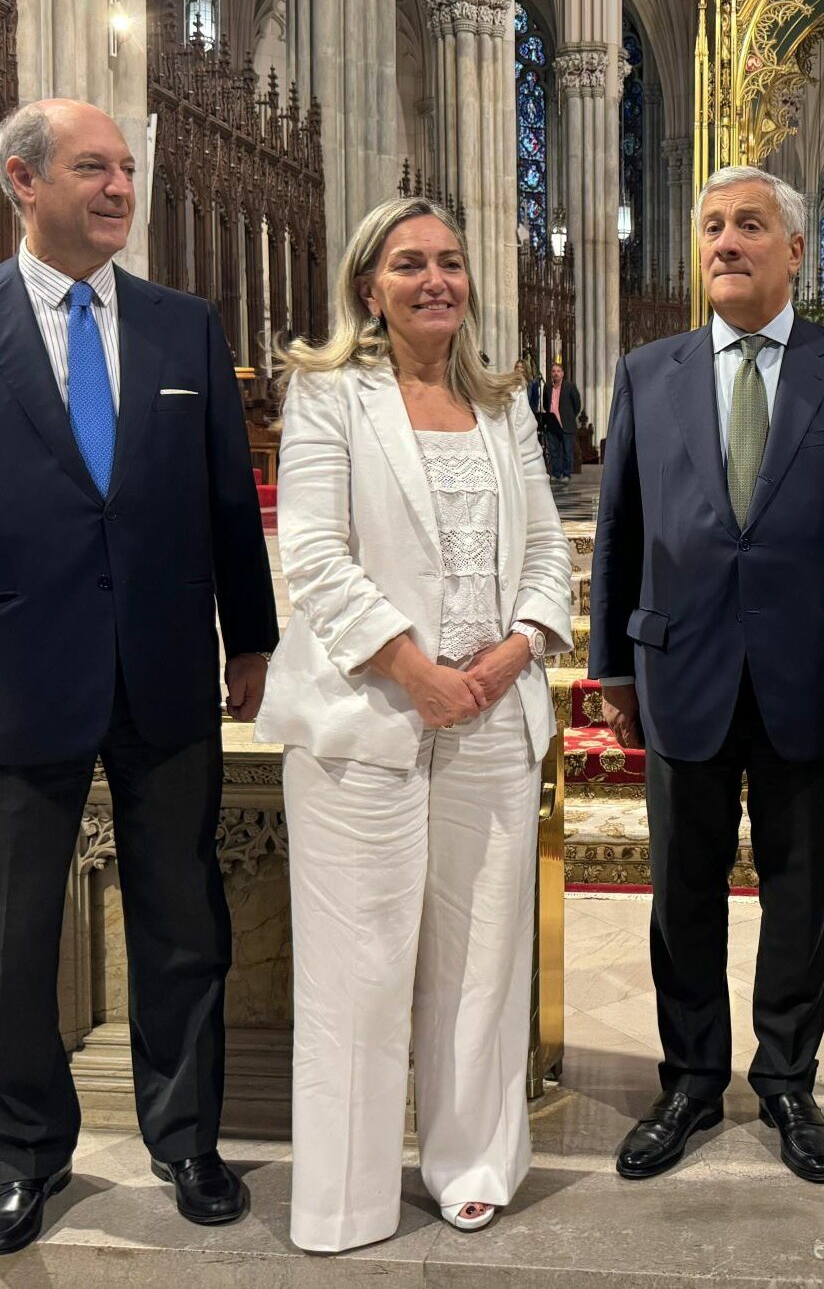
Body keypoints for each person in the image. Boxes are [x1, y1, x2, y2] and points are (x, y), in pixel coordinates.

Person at [591, 164, 824, 1184]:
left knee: (799, 893)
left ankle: (787, 1082)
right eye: (712, 227)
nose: (726, 242)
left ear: (795, 249)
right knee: (683, 894)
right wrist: (611, 670)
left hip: (811, 671)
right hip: (681, 668)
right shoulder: (649, 371)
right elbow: (619, 531)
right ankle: (691, 1080)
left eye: (748, 225)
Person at [256, 197, 572, 1253]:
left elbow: (547, 550)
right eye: (409, 264)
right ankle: (344, 1198)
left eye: (449, 261)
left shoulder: (503, 404)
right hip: (368, 715)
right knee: (359, 967)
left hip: (492, 711)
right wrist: (413, 669)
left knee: (482, 960)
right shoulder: (327, 393)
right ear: (369, 287)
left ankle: (472, 1163)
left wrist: (515, 649)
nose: (435, 279)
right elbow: (312, 554)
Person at [0, 100, 278, 1254]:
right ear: (23, 182)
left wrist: (250, 638)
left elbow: (225, 497)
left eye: (126, 169)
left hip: (164, 665)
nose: (121, 187)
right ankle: (24, 1147)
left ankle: (186, 1137)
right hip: (21, 673)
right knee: (12, 930)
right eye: (93, 168)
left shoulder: (182, 327)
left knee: (181, 918)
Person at [541, 359, 581, 481]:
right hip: (552, 423)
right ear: (551, 374)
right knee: (554, 451)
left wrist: (569, 416)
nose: (556, 373)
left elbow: (577, 404)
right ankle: (556, 473)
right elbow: (545, 403)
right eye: (553, 371)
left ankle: (566, 474)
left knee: (567, 451)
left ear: (562, 373)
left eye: (558, 371)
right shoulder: (547, 387)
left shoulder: (570, 386)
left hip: (566, 423)